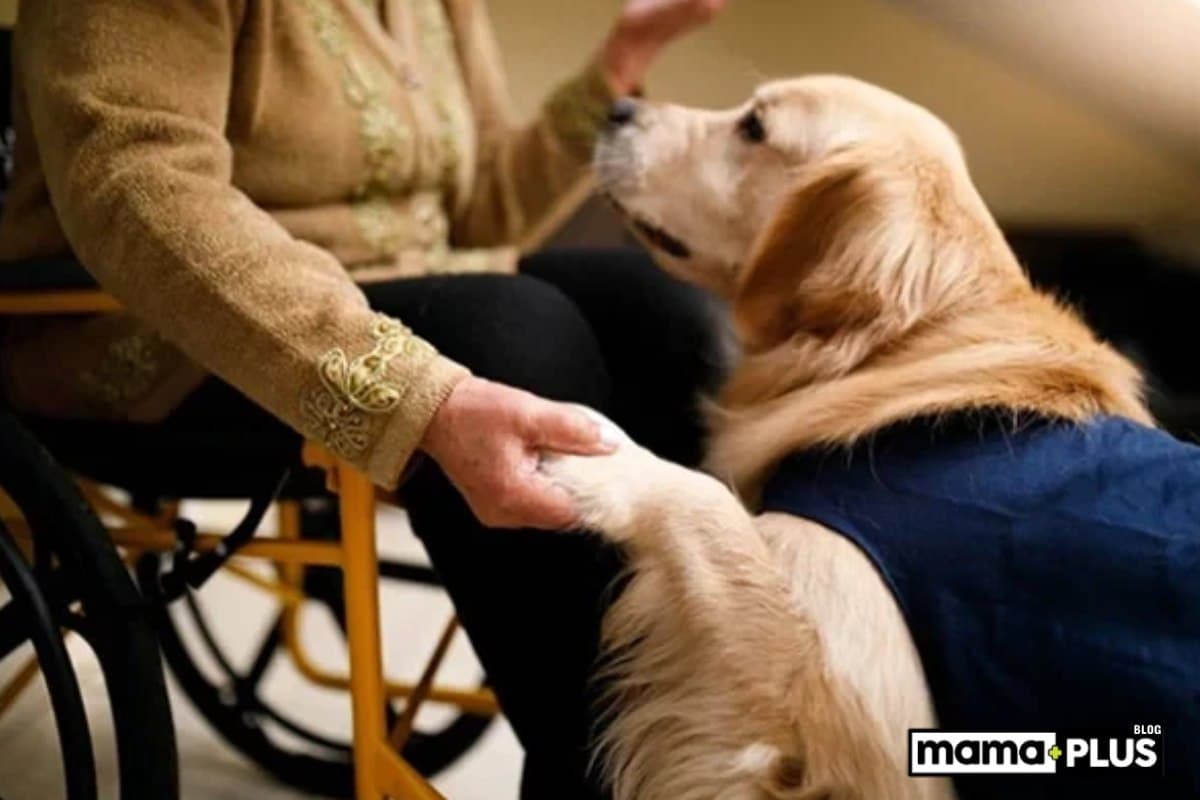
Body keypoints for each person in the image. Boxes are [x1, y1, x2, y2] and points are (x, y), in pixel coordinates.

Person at [0, 0, 729, 795]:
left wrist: (619, 65)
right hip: (151, 337)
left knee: (666, 318)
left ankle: (704, 718)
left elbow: (478, 205)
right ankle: (601, 773)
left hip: (394, 286)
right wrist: (417, 392)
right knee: (515, 333)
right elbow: (132, 181)